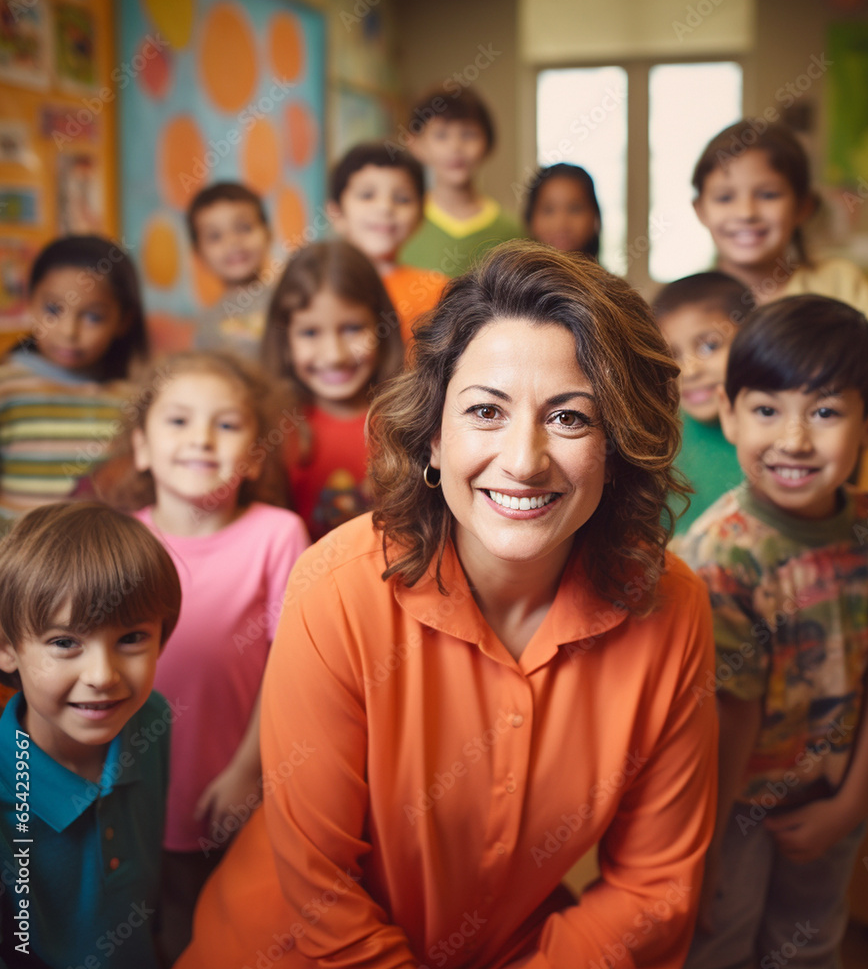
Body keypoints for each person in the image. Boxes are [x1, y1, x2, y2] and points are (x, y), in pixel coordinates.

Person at [177, 241, 717, 969]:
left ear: (618, 449)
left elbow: (654, 888)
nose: (523, 460)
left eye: (570, 419)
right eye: (486, 411)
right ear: (433, 436)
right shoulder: (337, 589)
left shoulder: (672, 610)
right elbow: (320, 889)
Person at [678, 296, 868, 969]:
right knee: (719, 945)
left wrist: (852, 800)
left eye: (824, 411)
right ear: (728, 414)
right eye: (765, 409)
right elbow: (732, 712)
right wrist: (707, 843)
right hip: (726, 805)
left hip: (827, 790)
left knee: (809, 947)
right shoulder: (724, 554)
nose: (793, 439)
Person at [109, 351, 310, 963]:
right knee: (155, 930)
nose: (201, 438)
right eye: (178, 422)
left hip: (241, 791)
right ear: (141, 447)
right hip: (136, 797)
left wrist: (247, 771)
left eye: (225, 424)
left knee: (236, 934)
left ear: (253, 456)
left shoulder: (279, 535)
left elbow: (291, 671)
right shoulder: (124, 543)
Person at [0, 501, 182, 968]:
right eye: (65, 642)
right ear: (6, 648)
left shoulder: (151, 721)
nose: (102, 675)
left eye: (131, 638)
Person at [261, 241, 404, 541]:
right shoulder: (271, 428)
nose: (335, 355)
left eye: (352, 328)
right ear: (284, 340)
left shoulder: (410, 419)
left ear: (382, 327)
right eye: (310, 332)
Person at [0, 235, 149, 521]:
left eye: (93, 317)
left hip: (97, 560)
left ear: (123, 321)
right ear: (29, 303)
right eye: (53, 310)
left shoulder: (133, 399)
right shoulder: (7, 386)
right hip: (16, 560)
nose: (69, 331)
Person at [692, 121, 868, 335]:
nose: (746, 213)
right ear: (700, 210)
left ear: (803, 207)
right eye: (725, 197)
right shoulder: (688, 304)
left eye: (768, 195)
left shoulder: (840, 283)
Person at [652, 272, 753, 535]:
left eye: (709, 346)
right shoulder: (657, 442)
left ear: (756, 342)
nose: (690, 370)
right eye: (672, 355)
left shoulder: (778, 431)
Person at [327, 142, 450, 341]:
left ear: (421, 213)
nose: (385, 208)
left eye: (402, 199)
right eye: (367, 195)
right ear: (336, 212)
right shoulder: (319, 284)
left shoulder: (438, 292)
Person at [399, 87, 524, 277]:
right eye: (441, 135)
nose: (455, 147)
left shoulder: (512, 232)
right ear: (416, 144)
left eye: (468, 134)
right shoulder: (400, 223)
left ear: (488, 142)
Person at [188, 182, 272, 358]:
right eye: (215, 236)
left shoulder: (290, 299)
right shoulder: (207, 324)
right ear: (199, 253)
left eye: (244, 228)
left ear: (268, 233)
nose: (232, 242)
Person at [524, 163, 602, 260]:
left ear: (595, 216)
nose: (561, 224)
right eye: (548, 210)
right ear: (530, 217)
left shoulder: (605, 276)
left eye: (574, 209)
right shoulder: (513, 274)